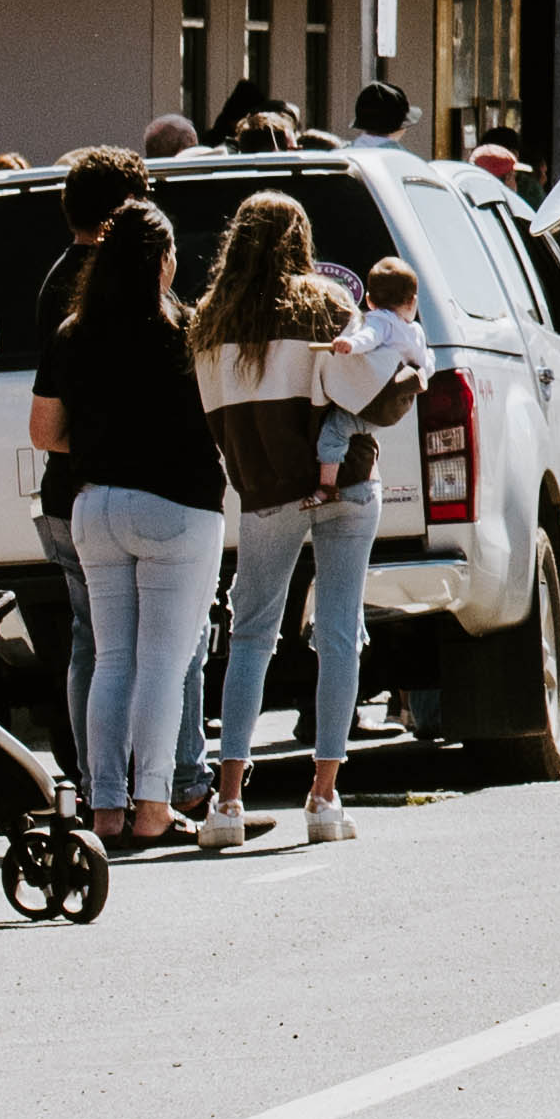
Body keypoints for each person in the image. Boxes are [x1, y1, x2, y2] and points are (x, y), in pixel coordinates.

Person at [33, 171, 225, 843]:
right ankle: (152, 809)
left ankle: (106, 809)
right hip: (177, 508)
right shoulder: (188, 332)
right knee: (164, 663)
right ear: (164, 261)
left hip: (94, 507)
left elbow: (44, 433)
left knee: (111, 659)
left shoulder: (72, 333)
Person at [183, 190, 375, 851]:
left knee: (252, 635)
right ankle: (325, 795)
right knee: (341, 630)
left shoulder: (207, 320)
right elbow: (367, 393)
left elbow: (215, 419)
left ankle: (229, 800)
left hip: (265, 491)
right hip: (346, 481)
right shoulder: (329, 304)